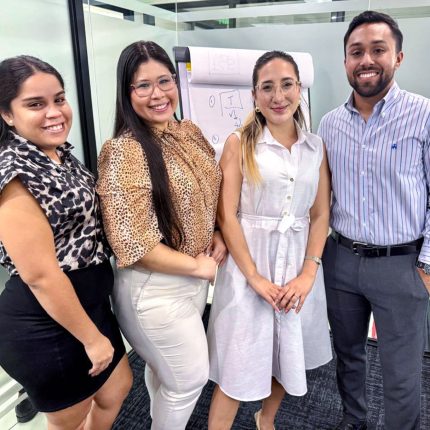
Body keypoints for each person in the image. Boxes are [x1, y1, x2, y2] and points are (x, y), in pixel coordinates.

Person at [96, 41, 225, 430]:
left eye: (165, 81)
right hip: (154, 289)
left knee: (167, 375)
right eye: (143, 85)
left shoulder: (187, 131)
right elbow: (133, 245)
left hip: (191, 280)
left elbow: (210, 189)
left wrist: (217, 232)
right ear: (127, 93)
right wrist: (198, 267)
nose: (158, 94)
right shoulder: (124, 151)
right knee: (189, 381)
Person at [0, 55, 132, 430]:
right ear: (7, 114)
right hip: (46, 324)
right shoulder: (13, 172)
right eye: (35, 104)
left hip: (89, 307)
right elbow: (40, 275)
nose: (55, 112)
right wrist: (92, 339)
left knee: (117, 388)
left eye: (59, 99)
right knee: (68, 422)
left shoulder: (57, 154)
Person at [207, 50, 332, 430]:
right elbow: (226, 215)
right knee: (237, 365)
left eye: (287, 85)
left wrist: (308, 273)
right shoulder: (239, 143)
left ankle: (266, 419)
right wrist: (255, 278)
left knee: (285, 354)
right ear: (254, 95)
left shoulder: (315, 147)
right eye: (267, 87)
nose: (278, 96)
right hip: (249, 266)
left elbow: (320, 214)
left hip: (297, 267)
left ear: (299, 89)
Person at [318, 11, 430, 430]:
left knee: (401, 370)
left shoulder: (423, 114)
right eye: (356, 52)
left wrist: (426, 266)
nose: (366, 60)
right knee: (348, 356)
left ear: (398, 57)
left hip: (402, 265)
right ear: (346, 61)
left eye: (378, 50)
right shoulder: (329, 124)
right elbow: (322, 199)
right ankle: (354, 421)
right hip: (342, 260)